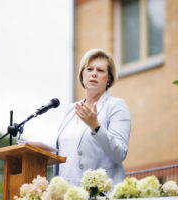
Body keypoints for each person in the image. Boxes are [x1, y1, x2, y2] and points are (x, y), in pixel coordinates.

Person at [54, 49, 131, 187]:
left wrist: (96, 126)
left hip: (101, 192)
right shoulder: (71, 109)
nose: (94, 74)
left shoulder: (116, 105)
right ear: (82, 75)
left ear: (109, 78)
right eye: (89, 69)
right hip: (68, 194)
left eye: (100, 70)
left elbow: (120, 153)